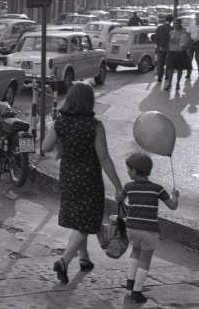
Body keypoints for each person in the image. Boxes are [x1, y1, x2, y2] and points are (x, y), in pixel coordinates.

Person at [42, 82, 123, 285]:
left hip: (68, 177)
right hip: (89, 179)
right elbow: (104, 158)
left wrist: (60, 142)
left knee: (80, 220)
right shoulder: (94, 126)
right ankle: (64, 261)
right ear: (89, 101)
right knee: (87, 222)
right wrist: (118, 186)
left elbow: (45, 147)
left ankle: (84, 259)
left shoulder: (60, 123)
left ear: (70, 99)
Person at [122, 152, 180, 304]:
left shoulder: (128, 187)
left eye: (129, 169)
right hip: (149, 230)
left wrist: (118, 196)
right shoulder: (157, 189)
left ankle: (129, 286)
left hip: (131, 228)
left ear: (135, 170)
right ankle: (137, 292)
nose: (127, 172)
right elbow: (172, 206)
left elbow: (119, 199)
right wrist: (175, 197)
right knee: (145, 258)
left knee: (135, 252)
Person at [164, 18, 191, 91]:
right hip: (172, 52)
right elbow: (169, 42)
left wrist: (184, 45)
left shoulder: (184, 32)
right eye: (174, 23)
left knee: (180, 69)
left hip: (180, 53)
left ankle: (178, 84)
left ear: (180, 24)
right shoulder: (171, 32)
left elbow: (185, 43)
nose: (175, 25)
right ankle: (169, 84)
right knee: (170, 69)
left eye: (176, 23)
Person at [153, 15, 173, 83]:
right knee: (168, 63)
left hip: (160, 48)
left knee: (160, 63)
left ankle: (159, 77)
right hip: (169, 48)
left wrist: (159, 46)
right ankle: (167, 76)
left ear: (165, 19)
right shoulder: (171, 28)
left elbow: (156, 38)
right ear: (171, 21)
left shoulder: (159, 27)